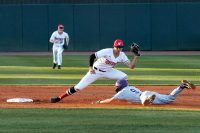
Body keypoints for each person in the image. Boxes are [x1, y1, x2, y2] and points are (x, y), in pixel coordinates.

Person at [50, 39, 140, 103]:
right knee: (78, 87)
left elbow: (131, 66)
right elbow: (92, 56)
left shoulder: (122, 55)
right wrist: (90, 67)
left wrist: (136, 56)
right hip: (95, 71)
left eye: (121, 47)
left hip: (109, 71)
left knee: (124, 77)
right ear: (114, 46)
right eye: (117, 47)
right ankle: (59, 98)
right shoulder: (107, 51)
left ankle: (122, 95)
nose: (119, 49)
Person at [94, 79, 196, 106]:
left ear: (119, 87)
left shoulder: (121, 92)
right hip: (146, 92)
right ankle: (181, 86)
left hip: (144, 96)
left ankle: (148, 101)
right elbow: (128, 99)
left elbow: (110, 100)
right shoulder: (130, 87)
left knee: (144, 103)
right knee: (170, 98)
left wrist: (100, 102)